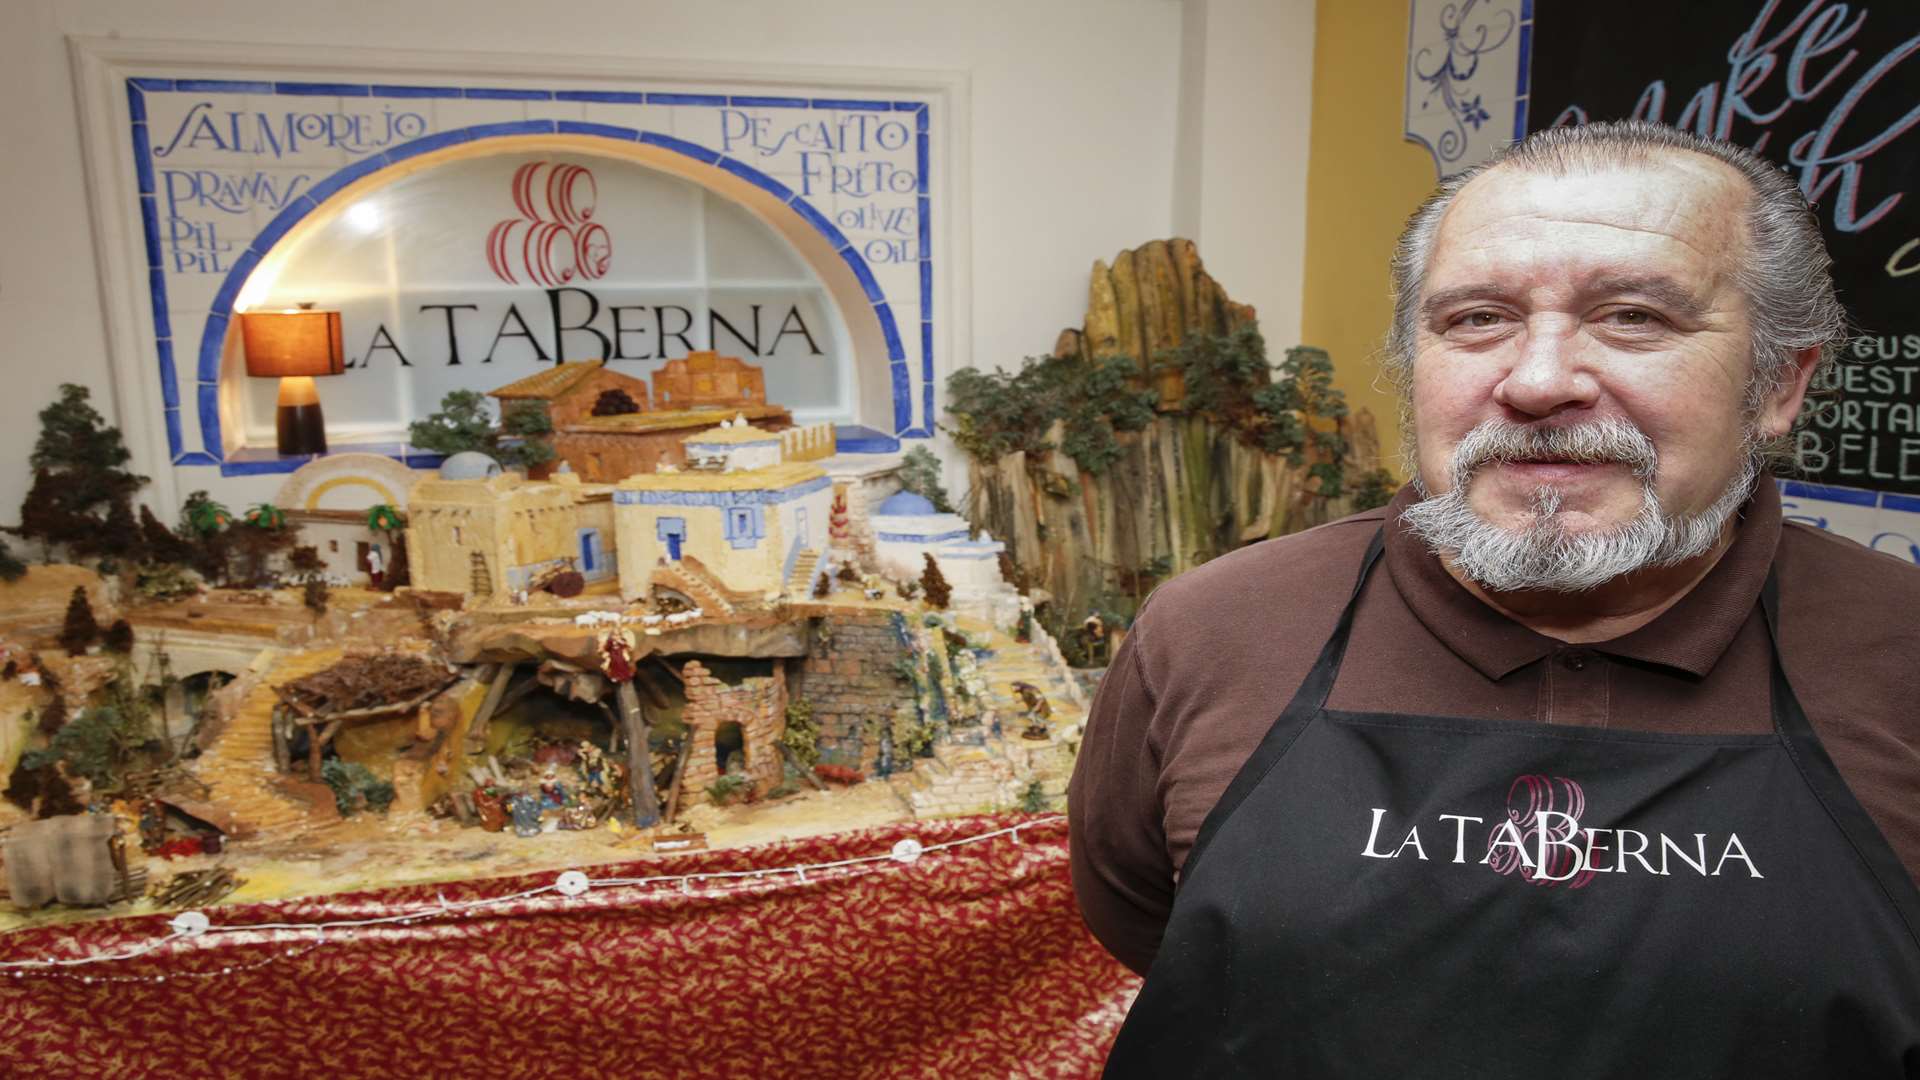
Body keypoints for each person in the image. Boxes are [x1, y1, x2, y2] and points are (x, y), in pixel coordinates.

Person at [1071, 121, 1920, 1077]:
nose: (1539, 382)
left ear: (1780, 385)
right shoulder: (1212, 630)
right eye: (1477, 318)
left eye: (1634, 316)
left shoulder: (1900, 655)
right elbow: (1144, 918)